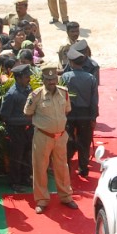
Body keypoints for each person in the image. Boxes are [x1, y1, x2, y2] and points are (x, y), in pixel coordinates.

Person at [25, 63, 78, 214]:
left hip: (60, 137)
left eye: (53, 78)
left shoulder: (64, 93)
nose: (51, 82)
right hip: (43, 136)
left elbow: (66, 111)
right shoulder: (35, 96)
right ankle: (42, 200)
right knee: (40, 167)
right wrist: (44, 125)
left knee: (62, 167)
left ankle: (66, 196)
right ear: (42, 79)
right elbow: (28, 114)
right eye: (48, 79)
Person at [62, 49, 99, 177]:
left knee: (68, 139)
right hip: (85, 113)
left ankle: (66, 165)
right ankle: (83, 168)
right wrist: (93, 117)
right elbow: (94, 100)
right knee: (85, 141)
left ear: (71, 63)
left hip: (69, 113)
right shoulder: (91, 78)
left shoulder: (65, 77)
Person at [0, 64, 34, 194]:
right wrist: (25, 120)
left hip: (27, 129)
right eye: (26, 77)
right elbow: (5, 115)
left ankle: (25, 178)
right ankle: (15, 181)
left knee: (27, 154)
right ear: (18, 78)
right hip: (16, 130)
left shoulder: (28, 89)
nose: (29, 79)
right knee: (16, 156)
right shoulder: (12, 94)